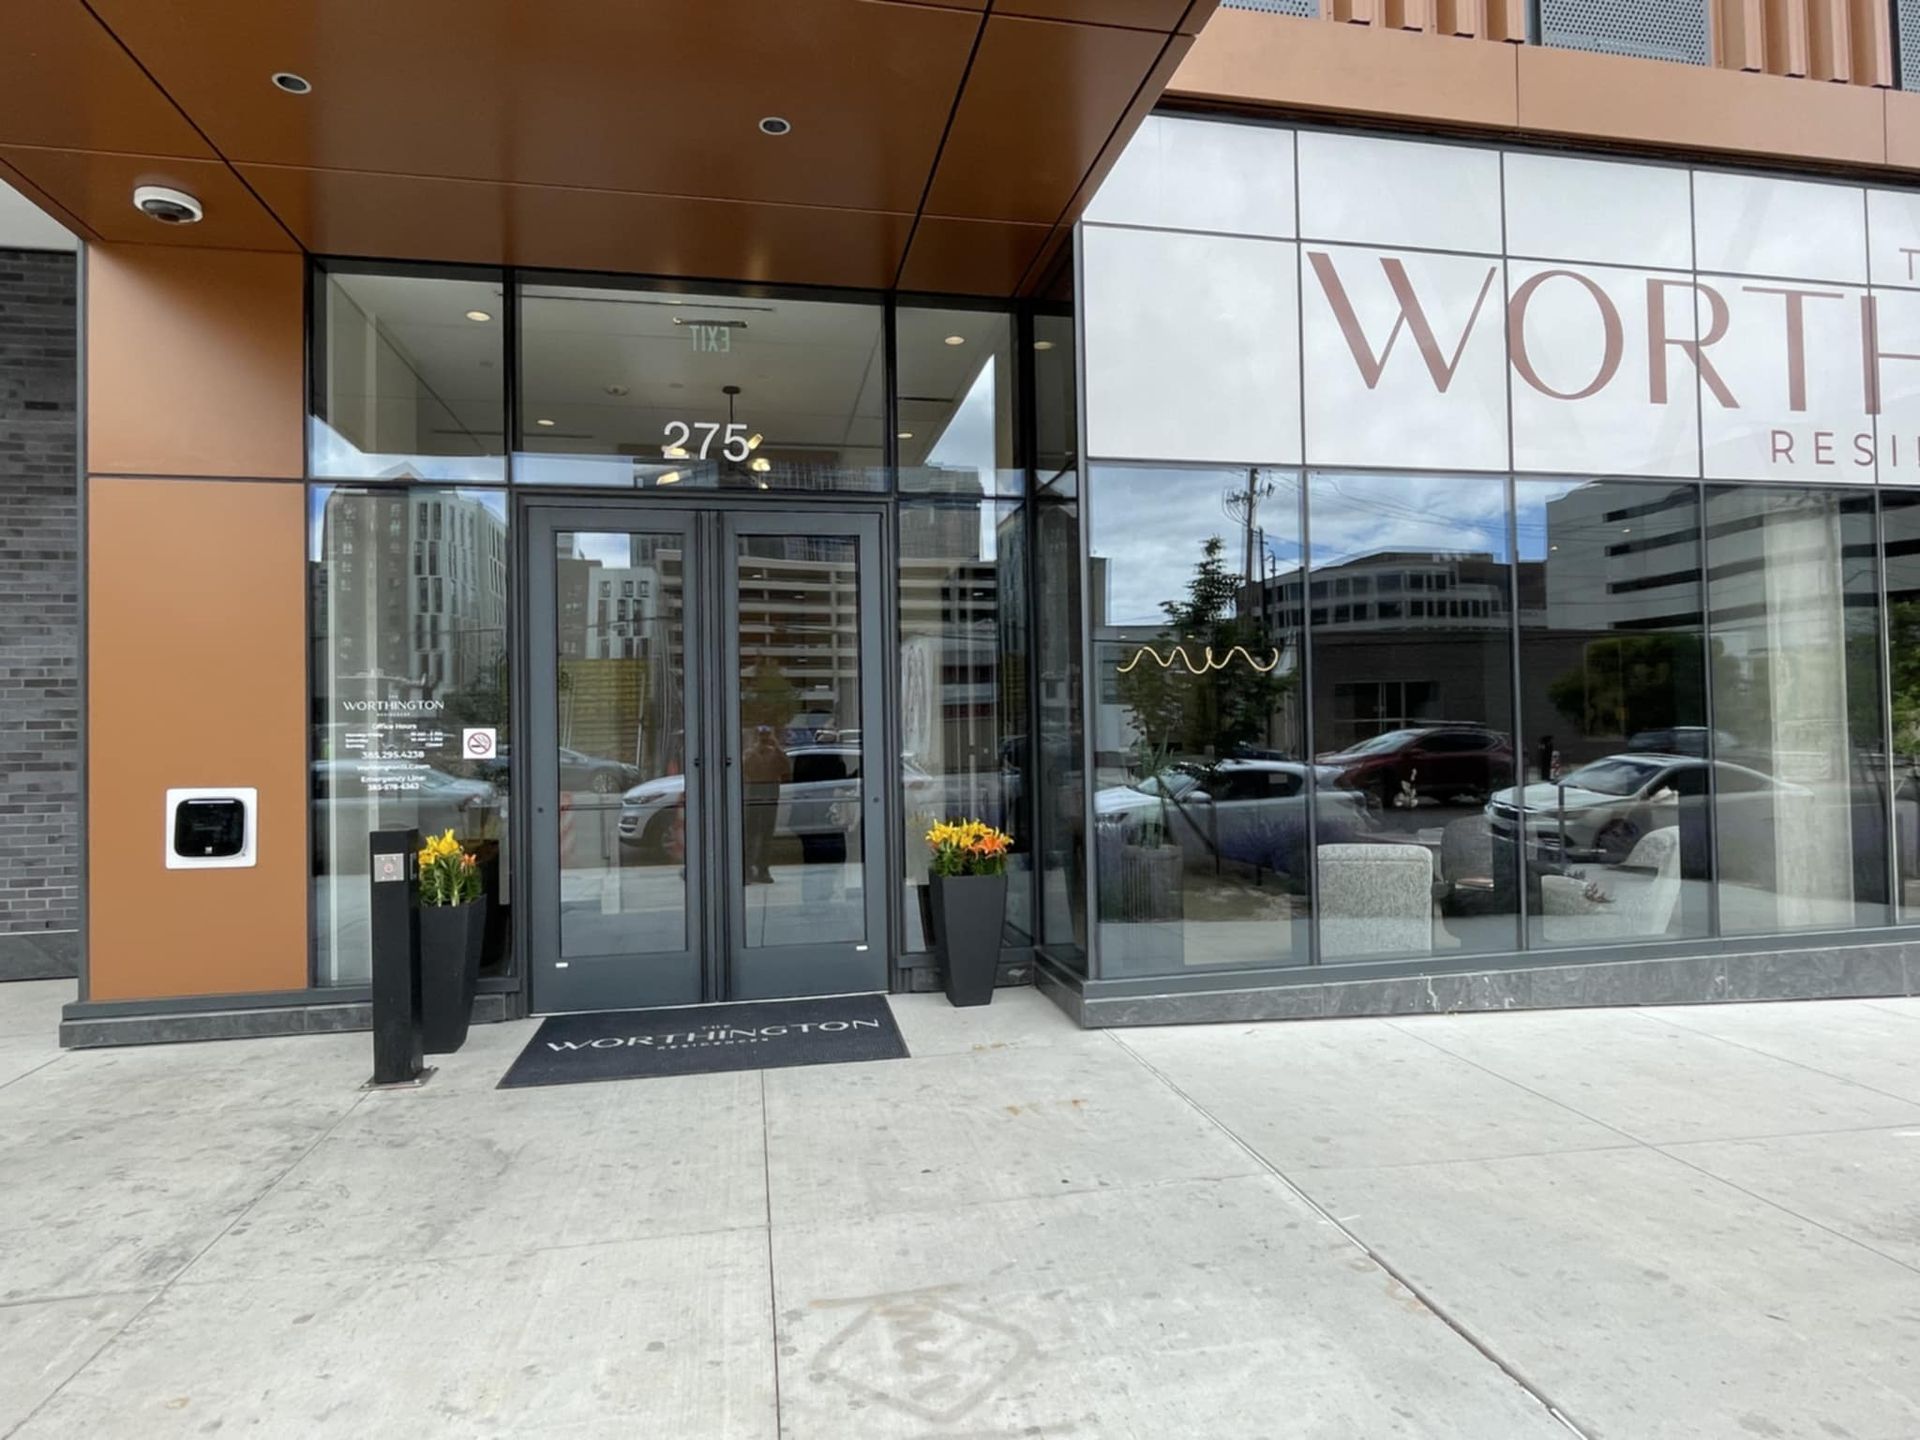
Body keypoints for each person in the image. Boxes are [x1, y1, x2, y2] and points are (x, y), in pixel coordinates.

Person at [742, 725, 789, 883]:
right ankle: (747, 869)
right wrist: (755, 750)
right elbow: (744, 769)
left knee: (766, 835)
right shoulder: (750, 753)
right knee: (750, 835)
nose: (764, 739)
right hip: (753, 797)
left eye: (767, 735)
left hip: (770, 797)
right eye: (761, 736)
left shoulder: (775, 754)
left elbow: (786, 768)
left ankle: (763, 869)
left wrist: (777, 747)